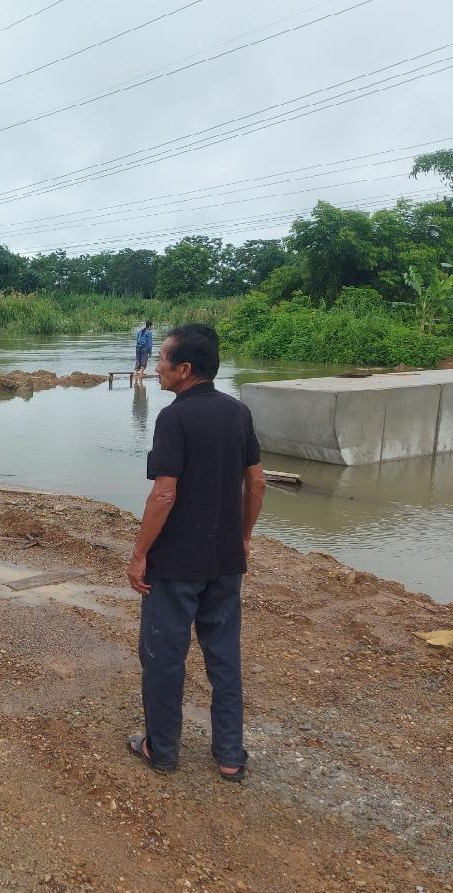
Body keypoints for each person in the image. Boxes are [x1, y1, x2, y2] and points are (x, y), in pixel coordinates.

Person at [125, 324, 265, 781]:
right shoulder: (238, 412)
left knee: (164, 658)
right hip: (225, 562)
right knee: (224, 657)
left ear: (185, 369)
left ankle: (161, 749)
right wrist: (243, 537)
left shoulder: (175, 419)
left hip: (175, 565)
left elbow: (164, 494)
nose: (157, 368)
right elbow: (257, 482)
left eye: (162, 360)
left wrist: (139, 554)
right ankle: (230, 756)